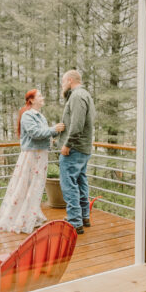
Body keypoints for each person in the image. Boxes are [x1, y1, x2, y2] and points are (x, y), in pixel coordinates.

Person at [0, 89, 65, 233]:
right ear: (31, 100)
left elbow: (44, 135)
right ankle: (21, 217)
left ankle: (31, 214)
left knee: (36, 186)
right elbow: (35, 133)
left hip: (41, 155)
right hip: (32, 156)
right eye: (40, 96)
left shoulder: (40, 116)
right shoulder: (27, 116)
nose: (42, 98)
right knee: (26, 185)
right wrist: (54, 129)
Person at [57, 69, 95, 234]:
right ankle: (83, 216)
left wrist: (67, 144)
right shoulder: (84, 95)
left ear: (70, 80)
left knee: (69, 184)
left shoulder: (77, 96)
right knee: (80, 182)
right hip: (83, 148)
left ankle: (74, 221)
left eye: (63, 82)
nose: (62, 85)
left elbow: (77, 124)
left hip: (75, 148)